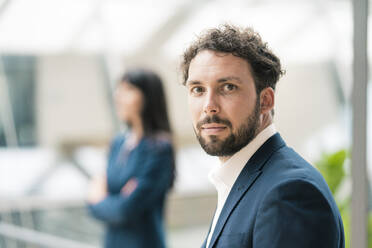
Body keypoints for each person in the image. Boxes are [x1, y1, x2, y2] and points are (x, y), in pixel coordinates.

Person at [180, 24, 344, 248]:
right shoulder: (242, 180)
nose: (209, 106)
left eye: (228, 87)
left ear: (265, 101)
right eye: (198, 89)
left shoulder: (289, 192)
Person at [87, 68, 175, 248]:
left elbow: (126, 210)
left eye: (128, 89)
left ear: (148, 97)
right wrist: (113, 200)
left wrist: (100, 198)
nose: (118, 96)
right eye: (119, 89)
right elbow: (96, 202)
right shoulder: (118, 143)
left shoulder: (159, 148)